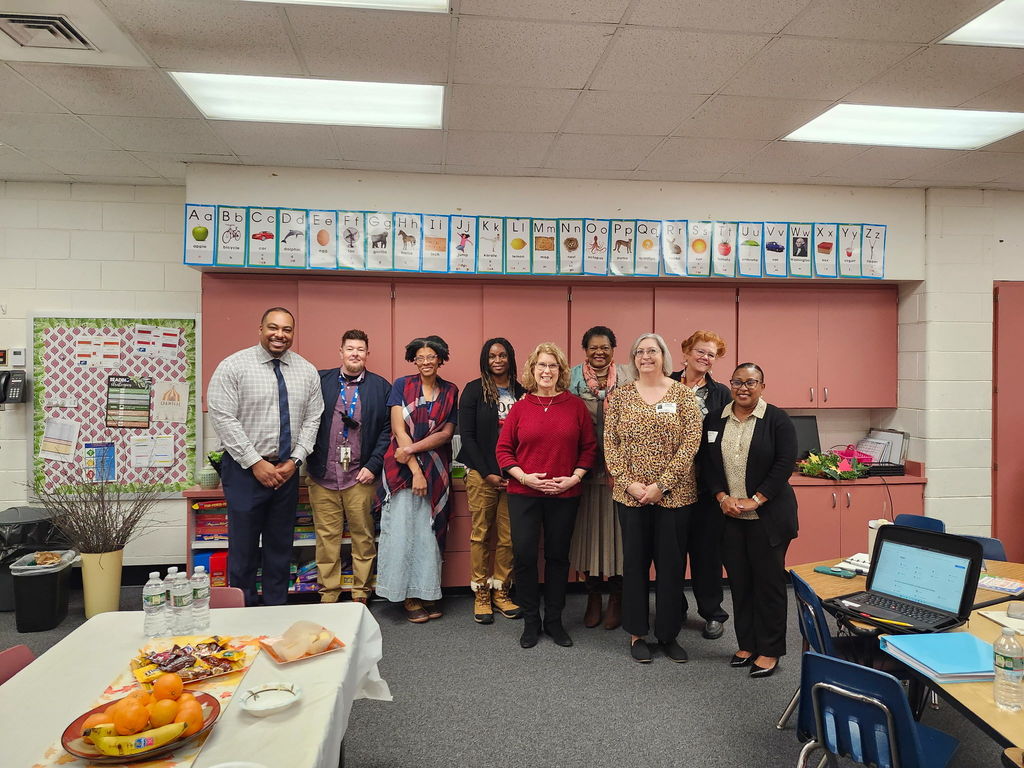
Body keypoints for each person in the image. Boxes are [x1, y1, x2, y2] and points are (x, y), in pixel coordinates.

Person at [207, 307, 323, 606]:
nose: (279, 335)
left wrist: (295, 460)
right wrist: (255, 462)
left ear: (293, 334)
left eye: (286, 330)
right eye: (273, 328)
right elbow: (222, 417)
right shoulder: (234, 366)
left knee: (280, 546)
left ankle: (275, 608)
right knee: (244, 549)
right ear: (260, 328)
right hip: (244, 471)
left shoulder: (306, 371)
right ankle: (243, 611)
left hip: (286, 470)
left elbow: (313, 419)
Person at [606, 334, 704, 663]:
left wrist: (661, 485)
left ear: (664, 356)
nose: (646, 356)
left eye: (653, 351)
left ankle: (668, 633)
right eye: (640, 352)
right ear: (633, 359)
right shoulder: (619, 397)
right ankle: (637, 634)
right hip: (630, 496)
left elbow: (691, 445)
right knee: (634, 566)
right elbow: (611, 445)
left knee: (671, 566)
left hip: (675, 497)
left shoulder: (683, 396)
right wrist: (631, 484)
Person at [496, 342, 597, 649]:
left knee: (557, 558)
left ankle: (554, 621)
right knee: (525, 556)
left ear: (561, 371)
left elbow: (589, 448)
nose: (547, 371)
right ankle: (531, 621)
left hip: (564, 494)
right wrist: (524, 477)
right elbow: (503, 450)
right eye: (541, 365)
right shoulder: (521, 407)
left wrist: (574, 478)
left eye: (553, 366)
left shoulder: (575, 406)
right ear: (532, 369)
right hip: (524, 493)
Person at [701, 363, 798, 678]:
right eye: (738, 382)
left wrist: (755, 500)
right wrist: (722, 498)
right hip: (730, 517)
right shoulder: (716, 418)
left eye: (751, 382)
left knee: (768, 585)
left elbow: (784, 465)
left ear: (762, 386)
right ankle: (747, 645)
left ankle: (769, 650)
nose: (744, 388)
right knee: (740, 583)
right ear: (731, 384)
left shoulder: (777, 420)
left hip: (767, 518)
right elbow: (708, 464)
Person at [306, 330, 392, 605]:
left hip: (360, 478)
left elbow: (387, 432)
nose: (355, 353)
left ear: (368, 354)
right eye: (350, 348)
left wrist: (373, 465)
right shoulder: (320, 381)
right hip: (323, 476)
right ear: (340, 351)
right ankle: (328, 595)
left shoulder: (381, 387)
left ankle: (360, 594)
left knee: (363, 539)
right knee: (326, 540)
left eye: (361, 349)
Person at [377, 336, 459, 623]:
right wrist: (414, 469)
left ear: (440, 359)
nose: (425, 362)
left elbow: (446, 434)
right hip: (401, 470)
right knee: (401, 532)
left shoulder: (450, 390)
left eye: (431, 357)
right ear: (414, 360)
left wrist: (411, 449)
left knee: (428, 533)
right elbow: (399, 429)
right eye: (420, 357)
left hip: (435, 468)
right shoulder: (401, 385)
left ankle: (426, 591)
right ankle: (405, 595)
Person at [568, 325, 633, 630]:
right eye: (593, 347)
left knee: (618, 538)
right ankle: (593, 596)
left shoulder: (628, 376)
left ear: (613, 349)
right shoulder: (571, 378)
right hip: (583, 470)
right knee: (588, 537)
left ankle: (616, 597)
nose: (599, 352)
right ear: (585, 350)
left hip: (621, 473)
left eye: (605, 347)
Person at [457, 338, 525, 624]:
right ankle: (481, 592)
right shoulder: (474, 391)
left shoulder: (522, 391)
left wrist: (513, 471)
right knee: (482, 534)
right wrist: (488, 473)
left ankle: (501, 590)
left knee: (509, 538)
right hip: (481, 474)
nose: (497, 360)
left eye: (503, 355)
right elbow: (467, 437)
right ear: (485, 360)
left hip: (515, 476)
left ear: (510, 358)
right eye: (492, 356)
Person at [670, 330, 732, 640]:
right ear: (686, 351)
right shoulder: (665, 384)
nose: (705, 358)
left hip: (709, 487)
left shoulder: (721, 394)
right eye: (700, 351)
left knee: (707, 553)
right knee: (673, 551)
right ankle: (674, 608)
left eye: (711, 354)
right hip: (670, 485)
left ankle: (712, 613)